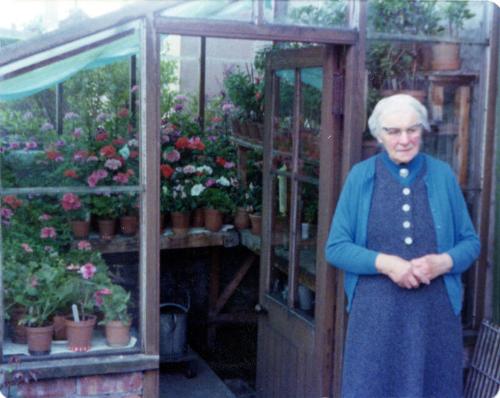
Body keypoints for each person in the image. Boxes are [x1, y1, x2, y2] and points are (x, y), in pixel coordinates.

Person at [325, 94, 480, 397]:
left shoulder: (443, 176)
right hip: (376, 319)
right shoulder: (361, 177)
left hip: (434, 317)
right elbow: (336, 247)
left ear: (423, 130)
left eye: (413, 130)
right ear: (379, 135)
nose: (404, 139)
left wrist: (443, 262)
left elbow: (470, 243)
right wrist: (387, 263)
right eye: (393, 131)